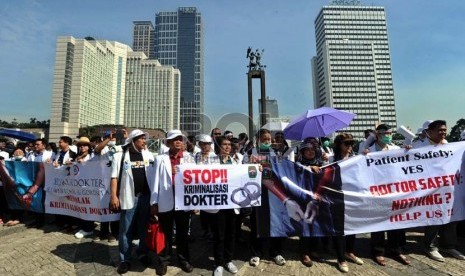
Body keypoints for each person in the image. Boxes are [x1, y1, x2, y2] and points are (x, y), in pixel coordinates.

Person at [412, 120, 465, 262]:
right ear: (429, 132)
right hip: (430, 190)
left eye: (444, 130)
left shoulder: (449, 146)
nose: (443, 132)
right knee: (434, 217)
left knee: (451, 217)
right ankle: (430, 246)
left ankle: (448, 245)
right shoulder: (418, 147)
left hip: (449, 189)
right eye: (439, 130)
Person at [150, 130, 195, 275]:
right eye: (174, 139)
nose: (178, 141)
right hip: (165, 200)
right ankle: (163, 260)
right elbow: (155, 181)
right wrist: (154, 202)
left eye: (180, 139)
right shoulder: (160, 159)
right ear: (168, 142)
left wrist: (194, 203)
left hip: (183, 201)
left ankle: (184, 260)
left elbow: (194, 180)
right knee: (165, 233)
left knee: (182, 233)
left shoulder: (189, 158)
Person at [365, 124, 410, 266]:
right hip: (376, 192)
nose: (388, 135)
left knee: (396, 222)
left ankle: (396, 250)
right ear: (377, 135)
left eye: (389, 133)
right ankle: (378, 252)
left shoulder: (396, 150)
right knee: (378, 222)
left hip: (395, 191)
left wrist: (407, 151)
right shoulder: (368, 151)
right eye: (385, 133)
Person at [110, 129, 154, 274]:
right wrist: (114, 196)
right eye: (141, 139)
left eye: (144, 139)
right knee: (125, 229)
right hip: (129, 197)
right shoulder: (120, 156)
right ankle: (125, 259)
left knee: (143, 228)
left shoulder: (148, 155)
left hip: (145, 197)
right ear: (133, 141)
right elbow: (114, 178)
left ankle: (142, 252)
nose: (144, 141)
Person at [246, 129, 286, 267]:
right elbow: (245, 174)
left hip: (273, 195)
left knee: (276, 222)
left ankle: (276, 252)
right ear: (258, 140)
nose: (267, 141)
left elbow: (282, 173)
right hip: (257, 194)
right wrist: (252, 166)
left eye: (269, 139)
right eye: (264, 139)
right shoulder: (250, 154)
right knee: (257, 223)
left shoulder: (276, 154)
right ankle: (256, 253)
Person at [329, 134, 364, 272]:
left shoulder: (356, 158)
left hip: (353, 197)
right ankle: (340, 258)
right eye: (346, 143)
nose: (350, 146)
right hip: (337, 198)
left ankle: (349, 252)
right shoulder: (331, 159)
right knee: (339, 228)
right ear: (339, 145)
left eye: (351, 143)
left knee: (352, 226)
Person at [211, 136, 240, 276]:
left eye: (229, 144)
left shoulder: (236, 161)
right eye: (224, 144)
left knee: (231, 234)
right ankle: (219, 263)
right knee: (219, 235)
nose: (228, 147)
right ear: (219, 147)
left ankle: (228, 260)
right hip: (218, 204)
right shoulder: (210, 162)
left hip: (232, 204)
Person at [74, 137, 95, 239]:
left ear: (89, 147)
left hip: (89, 186)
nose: (82, 147)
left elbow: (94, 169)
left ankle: (88, 229)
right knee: (81, 208)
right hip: (79, 186)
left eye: (84, 145)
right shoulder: (77, 156)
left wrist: (83, 163)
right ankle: (83, 226)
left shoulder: (92, 156)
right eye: (80, 145)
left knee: (88, 208)